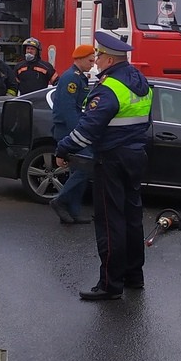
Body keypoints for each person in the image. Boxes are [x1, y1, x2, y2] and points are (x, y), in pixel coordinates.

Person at [55, 31, 151, 301]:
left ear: (109, 59)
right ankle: (134, 276)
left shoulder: (109, 88)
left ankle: (110, 284)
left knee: (110, 221)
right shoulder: (140, 81)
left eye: (99, 56)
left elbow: (88, 129)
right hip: (135, 156)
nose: (96, 60)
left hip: (111, 158)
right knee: (132, 218)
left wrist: (63, 148)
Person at [48, 43, 97, 225]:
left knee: (78, 170)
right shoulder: (71, 78)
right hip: (69, 131)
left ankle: (72, 212)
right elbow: (68, 110)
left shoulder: (79, 78)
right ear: (80, 59)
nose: (93, 64)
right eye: (90, 60)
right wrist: (79, 134)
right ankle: (60, 201)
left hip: (74, 131)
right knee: (86, 166)